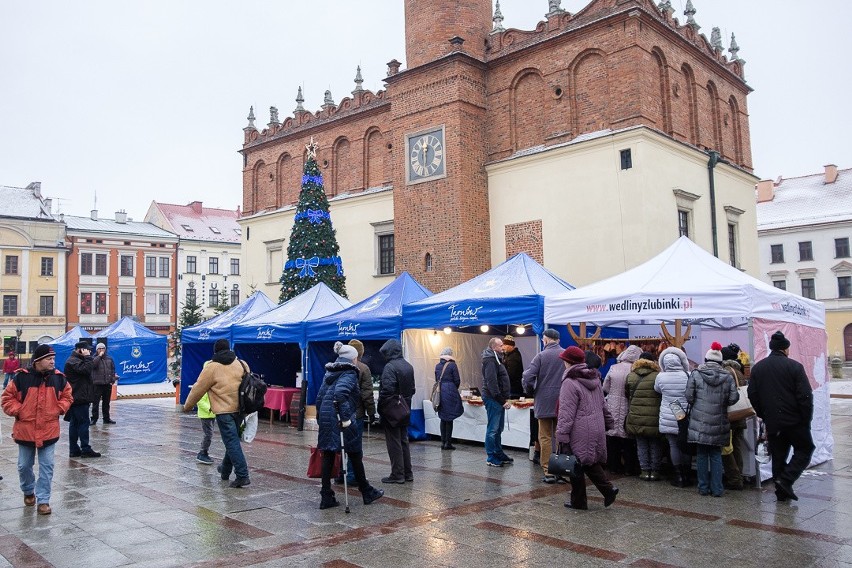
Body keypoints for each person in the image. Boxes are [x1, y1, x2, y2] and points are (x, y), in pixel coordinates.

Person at [2, 345, 73, 515]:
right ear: (38, 361)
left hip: (49, 430)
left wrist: (59, 408)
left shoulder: (59, 379)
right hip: (25, 430)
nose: (52, 361)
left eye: (53, 358)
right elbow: (6, 399)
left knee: (47, 466)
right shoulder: (21, 378)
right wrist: (19, 410)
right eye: (49, 359)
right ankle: (28, 491)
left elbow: (68, 396)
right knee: (23, 466)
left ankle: (43, 500)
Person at [315, 341, 384, 509]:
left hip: (327, 417)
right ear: (352, 359)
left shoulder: (330, 372)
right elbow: (340, 394)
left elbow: (320, 397)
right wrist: (345, 418)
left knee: (329, 454)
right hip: (341, 419)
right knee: (354, 453)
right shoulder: (350, 372)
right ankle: (366, 491)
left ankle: (326, 496)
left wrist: (320, 416)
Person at [748, 331, 814, 502]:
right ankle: (786, 480)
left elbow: (752, 395)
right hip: (794, 420)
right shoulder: (794, 367)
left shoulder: (758, 368)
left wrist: (764, 414)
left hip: (773, 421)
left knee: (779, 455)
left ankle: (781, 491)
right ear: (785, 349)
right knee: (805, 449)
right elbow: (805, 396)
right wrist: (806, 419)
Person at [556, 346, 618, 510]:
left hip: (579, 429)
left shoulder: (569, 382)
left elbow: (566, 413)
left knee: (575, 463)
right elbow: (603, 405)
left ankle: (579, 501)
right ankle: (608, 489)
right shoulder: (595, 379)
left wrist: (562, 434)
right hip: (596, 426)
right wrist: (608, 422)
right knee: (588, 461)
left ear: (568, 362)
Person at [183, 339, 251, 488]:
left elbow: (198, 389)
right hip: (241, 409)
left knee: (231, 441)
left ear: (215, 351)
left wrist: (187, 406)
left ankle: (242, 475)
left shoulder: (212, 367)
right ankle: (225, 470)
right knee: (231, 440)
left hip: (224, 411)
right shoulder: (241, 364)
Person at [685, 342, 739, 497]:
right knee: (716, 455)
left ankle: (703, 487)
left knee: (701, 454)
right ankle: (717, 489)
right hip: (719, 421)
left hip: (699, 421)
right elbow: (734, 398)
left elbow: (688, 396)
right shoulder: (727, 377)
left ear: (706, 359)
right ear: (720, 361)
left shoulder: (696, 374)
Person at [522, 329, 565, 482]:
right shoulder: (565, 355)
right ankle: (559, 469)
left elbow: (527, 376)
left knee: (545, 437)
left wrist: (531, 390)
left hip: (544, 401)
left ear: (545, 340)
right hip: (563, 401)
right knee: (559, 436)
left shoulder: (541, 356)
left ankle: (548, 471)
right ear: (558, 340)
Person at [335, 338, 377, 484]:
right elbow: (367, 394)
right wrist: (372, 413)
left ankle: (340, 473)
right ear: (360, 352)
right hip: (356, 413)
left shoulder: (336, 366)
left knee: (340, 443)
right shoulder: (363, 368)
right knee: (354, 445)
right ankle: (352, 476)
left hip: (339, 412)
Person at [654, 346, 693, 487]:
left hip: (669, 413)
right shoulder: (688, 375)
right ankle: (687, 475)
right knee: (685, 445)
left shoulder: (660, 377)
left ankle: (678, 476)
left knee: (673, 445)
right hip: (684, 415)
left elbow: (657, 390)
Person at [377, 339, 415, 484]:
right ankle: (408, 473)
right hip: (405, 408)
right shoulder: (408, 366)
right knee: (403, 440)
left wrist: (381, 408)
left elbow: (387, 390)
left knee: (394, 442)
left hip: (392, 409)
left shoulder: (390, 367)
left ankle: (397, 474)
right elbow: (412, 389)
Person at [602, 345, 642, 475]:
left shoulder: (613, 368)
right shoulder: (635, 370)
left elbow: (605, 387)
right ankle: (629, 468)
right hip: (628, 405)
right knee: (628, 439)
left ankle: (613, 466)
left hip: (612, 405)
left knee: (612, 438)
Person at [625, 352, 664, 481]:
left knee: (641, 444)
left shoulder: (631, 376)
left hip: (636, 416)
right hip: (654, 416)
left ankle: (644, 471)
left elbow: (627, 394)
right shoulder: (658, 376)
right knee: (655, 444)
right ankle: (655, 471)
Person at [64, 341, 101, 458]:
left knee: (74, 424)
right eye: (87, 350)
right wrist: (88, 357)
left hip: (78, 396)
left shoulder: (75, 360)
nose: (89, 352)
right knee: (83, 423)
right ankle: (85, 448)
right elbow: (87, 370)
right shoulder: (73, 361)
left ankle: (74, 449)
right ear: (80, 350)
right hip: (79, 397)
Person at [481, 336, 512, 468]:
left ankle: (498, 452)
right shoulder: (490, 360)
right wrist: (501, 399)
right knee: (493, 429)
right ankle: (491, 456)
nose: (503, 347)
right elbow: (491, 382)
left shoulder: (497, 358)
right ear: (494, 347)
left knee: (498, 428)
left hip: (497, 398)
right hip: (493, 398)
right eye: (500, 346)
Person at [720, 343, 747, 490]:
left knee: (726, 448)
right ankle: (740, 475)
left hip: (729, 416)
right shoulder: (739, 371)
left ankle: (734, 479)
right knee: (736, 446)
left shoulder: (725, 372)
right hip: (740, 415)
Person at [435, 346, 463, 450]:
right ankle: (448, 443)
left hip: (440, 391)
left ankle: (443, 442)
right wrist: (453, 389)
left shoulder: (437, 365)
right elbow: (457, 380)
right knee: (449, 418)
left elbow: (436, 379)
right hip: (450, 390)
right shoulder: (452, 365)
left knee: (442, 417)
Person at [90, 342, 118, 425]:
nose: (101, 350)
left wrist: (112, 380)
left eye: (103, 348)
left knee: (106, 403)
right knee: (95, 403)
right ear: (97, 350)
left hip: (107, 384)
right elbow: (93, 365)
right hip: (97, 384)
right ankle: (94, 419)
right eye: (99, 348)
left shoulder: (109, 359)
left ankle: (106, 418)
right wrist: (99, 356)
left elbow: (113, 370)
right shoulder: (94, 358)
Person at [195, 392, 216, 464]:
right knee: (208, 434)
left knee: (209, 434)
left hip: (212, 414)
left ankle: (204, 452)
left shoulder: (211, 389)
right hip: (205, 415)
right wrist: (210, 409)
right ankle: (202, 452)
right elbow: (200, 401)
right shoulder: (204, 389)